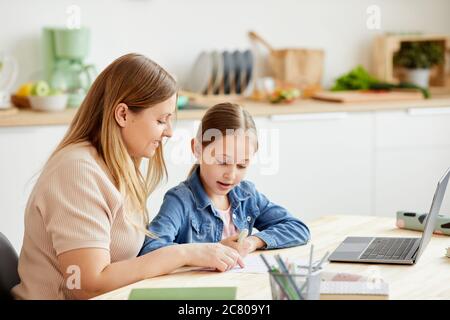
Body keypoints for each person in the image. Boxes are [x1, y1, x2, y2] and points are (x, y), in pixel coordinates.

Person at [12, 54, 243, 300]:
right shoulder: (77, 172)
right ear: (122, 114)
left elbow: (127, 265)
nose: (169, 132)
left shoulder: (116, 167)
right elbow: (86, 284)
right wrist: (184, 254)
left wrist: (201, 253)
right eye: (161, 120)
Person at [139, 102, 310, 262]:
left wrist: (253, 242)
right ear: (198, 150)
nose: (231, 175)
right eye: (222, 162)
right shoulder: (180, 200)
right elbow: (150, 250)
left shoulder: (247, 195)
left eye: (242, 165)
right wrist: (208, 252)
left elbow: (298, 228)